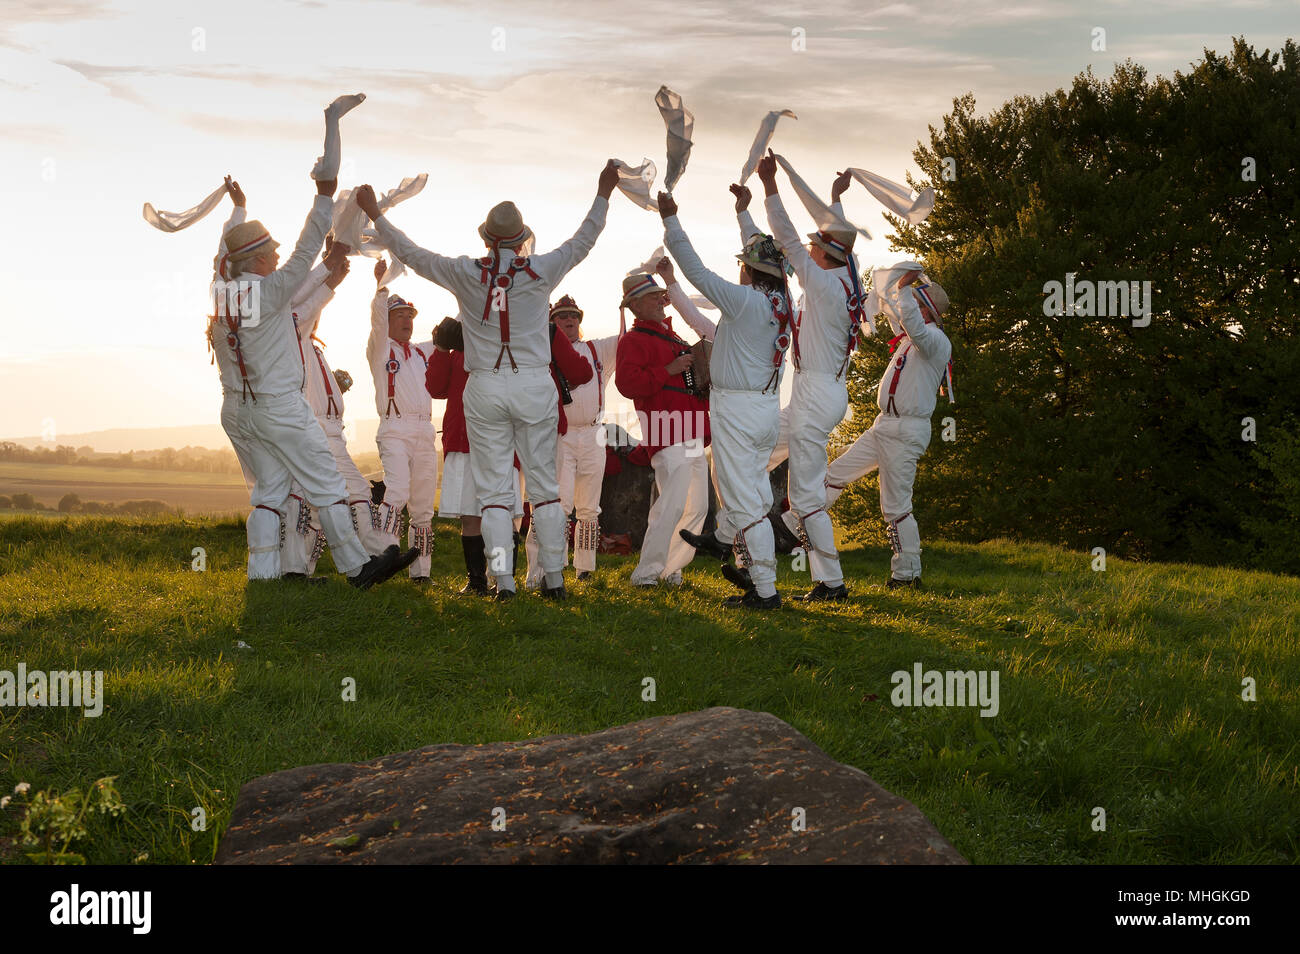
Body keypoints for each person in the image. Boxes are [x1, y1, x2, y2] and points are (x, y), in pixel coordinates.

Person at [355, 160, 620, 600]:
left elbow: (412, 254)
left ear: (484, 237)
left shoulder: (465, 271)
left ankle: (504, 582)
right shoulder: (541, 269)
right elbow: (585, 239)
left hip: (485, 386)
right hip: (534, 384)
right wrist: (603, 192)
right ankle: (554, 581)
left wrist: (376, 214)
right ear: (520, 240)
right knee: (545, 491)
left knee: (495, 494)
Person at [212, 173, 417, 588]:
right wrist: (324, 194)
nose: (277, 255)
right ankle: (358, 567)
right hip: (278, 407)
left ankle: (265, 577)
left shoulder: (220, 291)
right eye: (270, 251)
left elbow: (226, 254)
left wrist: (238, 210)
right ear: (256, 259)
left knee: (269, 493)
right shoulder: (270, 292)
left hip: (236, 410)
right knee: (327, 481)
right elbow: (306, 250)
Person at [659, 187, 792, 609]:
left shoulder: (745, 301)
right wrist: (743, 213)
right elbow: (760, 249)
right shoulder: (781, 300)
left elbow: (698, 272)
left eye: (743, 267)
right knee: (751, 492)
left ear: (750, 272)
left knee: (746, 501)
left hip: (738, 410)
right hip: (764, 407)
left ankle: (764, 590)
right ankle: (740, 561)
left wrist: (671, 221)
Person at [756, 156, 863, 601]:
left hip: (815, 392)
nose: (809, 248)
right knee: (750, 453)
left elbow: (785, 239)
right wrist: (835, 200)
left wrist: (770, 187)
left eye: (816, 244)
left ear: (825, 254)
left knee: (805, 497)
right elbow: (837, 245)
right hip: (818, 392)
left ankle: (831, 582)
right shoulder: (844, 280)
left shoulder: (822, 283)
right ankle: (737, 539)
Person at [824, 263, 951, 587]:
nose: (913, 310)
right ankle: (795, 524)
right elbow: (899, 316)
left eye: (920, 304)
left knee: (895, 506)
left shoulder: (935, 340)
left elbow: (910, 321)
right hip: (884, 426)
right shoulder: (912, 340)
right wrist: (895, 290)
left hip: (906, 431)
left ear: (929, 310)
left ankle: (907, 575)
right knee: (835, 475)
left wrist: (904, 288)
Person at [283, 238, 392, 577]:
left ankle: (373, 555)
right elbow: (306, 298)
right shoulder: (292, 339)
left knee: (356, 491)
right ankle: (299, 571)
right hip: (310, 430)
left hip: (334, 434)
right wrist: (329, 263)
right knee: (308, 504)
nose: (314, 319)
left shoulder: (315, 349)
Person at [614, 268, 711, 588]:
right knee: (670, 506)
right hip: (667, 432)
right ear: (635, 306)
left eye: (659, 296)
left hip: (692, 431)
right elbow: (627, 384)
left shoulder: (677, 338)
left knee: (697, 507)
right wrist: (668, 369)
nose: (659, 301)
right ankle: (646, 573)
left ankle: (671, 568)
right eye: (650, 297)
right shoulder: (632, 340)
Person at [425, 316, 523, 595]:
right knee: (471, 517)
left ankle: (503, 578)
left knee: (503, 516)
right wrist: (441, 349)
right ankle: (478, 581)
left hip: (500, 444)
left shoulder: (507, 346)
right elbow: (435, 388)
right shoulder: (457, 353)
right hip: (464, 441)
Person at [367, 260, 439, 582]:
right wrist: (381, 287)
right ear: (387, 320)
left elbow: (449, 333)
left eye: (410, 315)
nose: (407, 320)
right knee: (395, 491)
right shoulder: (380, 348)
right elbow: (377, 323)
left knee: (423, 506)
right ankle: (383, 557)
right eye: (400, 315)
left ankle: (420, 572)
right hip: (395, 428)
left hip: (425, 430)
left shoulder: (422, 352)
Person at [538, 295, 618, 581]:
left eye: (573, 315)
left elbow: (626, 338)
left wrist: (623, 306)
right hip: (562, 434)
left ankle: (584, 568)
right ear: (552, 322)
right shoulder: (543, 353)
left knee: (589, 505)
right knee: (560, 503)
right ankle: (554, 566)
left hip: (595, 432)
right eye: (562, 316)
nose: (569, 320)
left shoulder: (597, 349)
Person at [523, 309, 596, 588]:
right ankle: (546, 575)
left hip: (508, 424)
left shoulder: (495, 327)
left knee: (514, 502)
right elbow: (582, 371)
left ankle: (507, 578)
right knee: (548, 501)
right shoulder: (549, 332)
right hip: (546, 423)